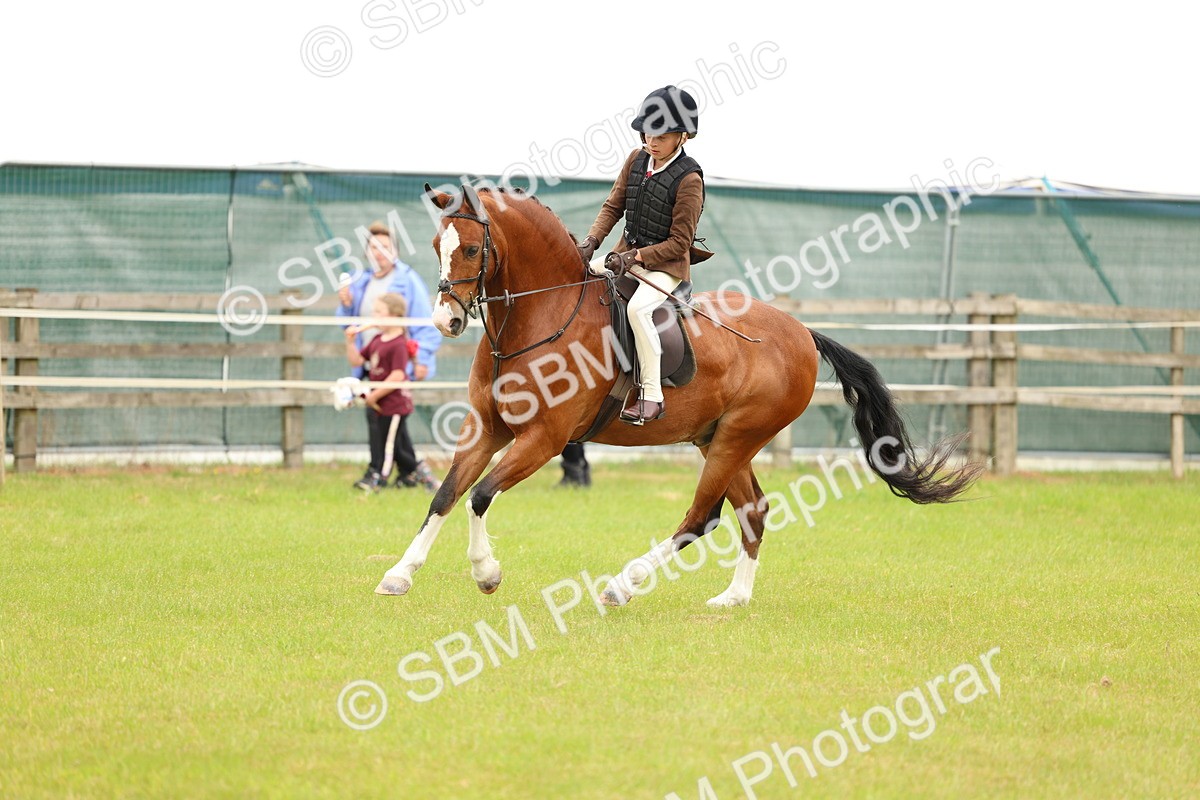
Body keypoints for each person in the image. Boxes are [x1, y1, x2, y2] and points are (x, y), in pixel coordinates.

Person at [577, 85, 711, 424]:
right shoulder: (636, 160)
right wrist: (592, 241)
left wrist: (635, 258)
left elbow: (679, 242)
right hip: (624, 255)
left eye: (662, 136)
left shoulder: (689, 179)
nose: (652, 141)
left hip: (666, 267)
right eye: (648, 133)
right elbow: (613, 206)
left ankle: (652, 395)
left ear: (682, 136)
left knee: (638, 310)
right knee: (579, 281)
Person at [337, 221, 442, 491]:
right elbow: (349, 323)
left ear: (395, 250)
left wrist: (422, 359)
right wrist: (346, 305)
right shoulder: (361, 281)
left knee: (386, 417)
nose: (379, 252)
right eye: (374, 247)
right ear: (366, 252)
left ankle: (378, 473)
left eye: (385, 247)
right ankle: (412, 472)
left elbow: (424, 323)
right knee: (390, 421)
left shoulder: (408, 280)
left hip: (397, 362)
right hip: (371, 360)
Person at [343, 294, 420, 492]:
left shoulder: (399, 344)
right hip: (378, 404)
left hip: (393, 404)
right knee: (391, 442)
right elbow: (357, 361)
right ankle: (410, 474)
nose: (374, 316)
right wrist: (350, 342)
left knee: (387, 445)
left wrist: (375, 395)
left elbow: (397, 375)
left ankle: (379, 476)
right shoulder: (377, 339)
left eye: (379, 312)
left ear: (395, 316)